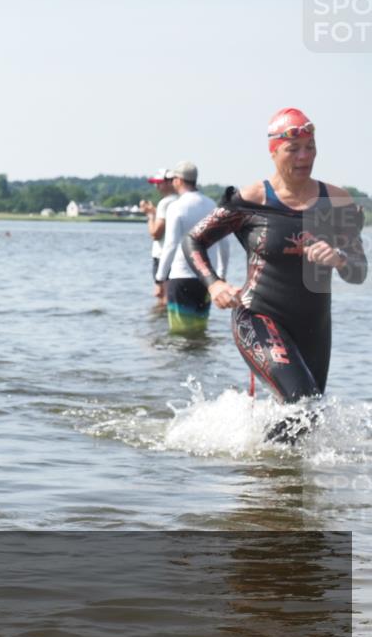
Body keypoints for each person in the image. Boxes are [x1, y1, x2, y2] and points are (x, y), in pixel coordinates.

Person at [184, 108, 366, 410]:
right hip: (258, 316)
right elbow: (194, 240)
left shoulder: (336, 201)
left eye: (310, 148)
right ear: (273, 152)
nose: (304, 157)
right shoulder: (251, 199)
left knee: (308, 415)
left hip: (314, 326)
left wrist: (339, 259)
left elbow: (359, 271)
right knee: (300, 401)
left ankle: (257, 457)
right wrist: (214, 284)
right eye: (293, 149)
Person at [154, 161, 231, 335]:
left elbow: (171, 245)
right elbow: (224, 243)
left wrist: (160, 278)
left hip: (181, 276)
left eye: (173, 178)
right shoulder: (212, 205)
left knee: (180, 335)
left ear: (179, 180)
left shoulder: (176, 207)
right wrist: (221, 275)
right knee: (200, 332)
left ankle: (185, 363)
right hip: (206, 278)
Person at [139, 167, 179, 303]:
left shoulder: (165, 202)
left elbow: (156, 233)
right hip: (178, 255)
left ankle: (160, 322)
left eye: (159, 182)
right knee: (171, 295)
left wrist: (150, 215)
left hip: (162, 255)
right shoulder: (181, 199)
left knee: (162, 295)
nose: (156, 186)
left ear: (169, 182)